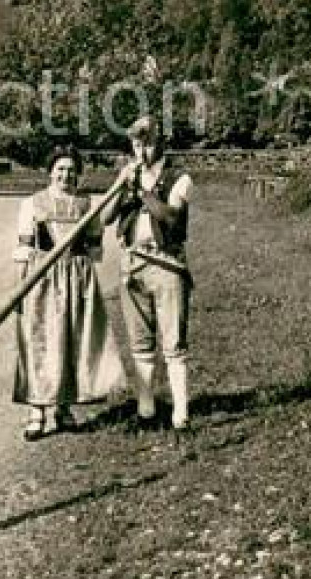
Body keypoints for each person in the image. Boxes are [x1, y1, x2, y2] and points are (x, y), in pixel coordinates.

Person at [11, 147, 121, 440]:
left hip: (77, 278)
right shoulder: (32, 204)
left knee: (71, 341)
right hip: (43, 278)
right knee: (41, 341)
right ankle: (37, 412)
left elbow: (96, 251)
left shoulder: (88, 206)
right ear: (50, 172)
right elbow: (23, 251)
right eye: (60, 168)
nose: (65, 175)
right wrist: (21, 289)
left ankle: (63, 409)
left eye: (71, 170)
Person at [106, 115, 195, 431]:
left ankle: (181, 414)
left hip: (167, 264)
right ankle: (146, 411)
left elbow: (170, 217)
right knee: (140, 342)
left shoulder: (178, 177)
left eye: (148, 142)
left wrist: (142, 192)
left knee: (173, 342)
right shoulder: (127, 175)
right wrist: (121, 186)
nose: (141, 149)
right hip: (133, 264)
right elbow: (105, 217)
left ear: (162, 143)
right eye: (136, 142)